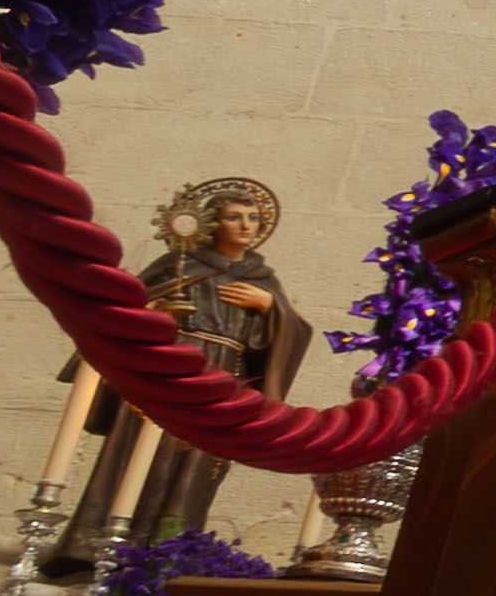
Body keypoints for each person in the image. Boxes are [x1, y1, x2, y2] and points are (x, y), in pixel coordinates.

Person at [53, 176, 309, 572]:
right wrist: (158, 312)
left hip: (221, 381)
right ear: (210, 223)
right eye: (234, 217)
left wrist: (271, 309)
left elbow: (291, 336)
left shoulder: (264, 282)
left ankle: (167, 552)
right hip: (166, 373)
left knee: (194, 469)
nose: (247, 226)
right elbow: (127, 308)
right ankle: (100, 546)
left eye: (254, 218)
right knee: (134, 454)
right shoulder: (179, 264)